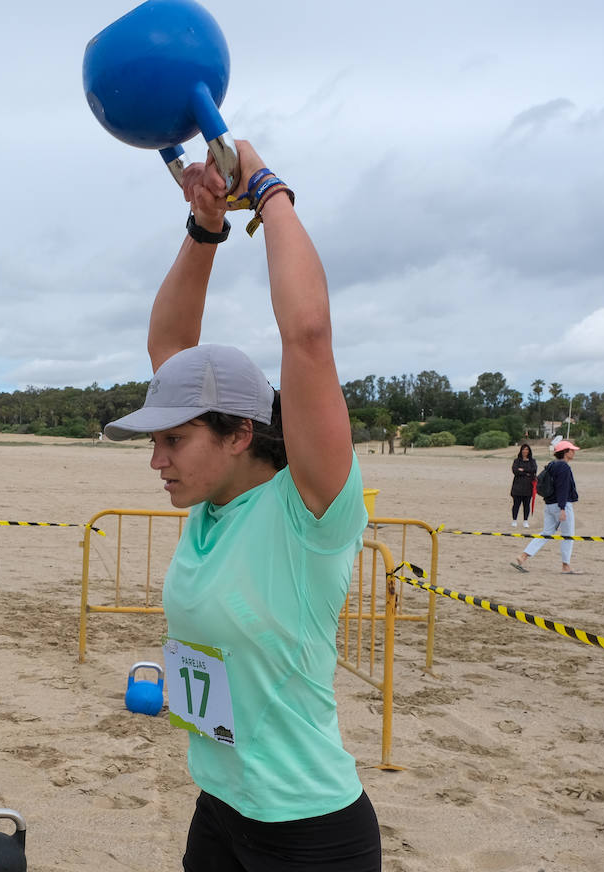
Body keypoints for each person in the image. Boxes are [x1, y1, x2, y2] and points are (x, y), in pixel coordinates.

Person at [102, 142, 380, 870]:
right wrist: (204, 229)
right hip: (220, 808)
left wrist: (269, 193)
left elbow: (308, 337)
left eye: (173, 441)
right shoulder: (209, 500)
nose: (156, 460)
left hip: (310, 832)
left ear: (239, 435)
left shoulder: (309, 513)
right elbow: (171, 347)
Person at [511, 438, 581, 574]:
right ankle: (566, 566)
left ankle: (523, 556)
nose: (574, 452)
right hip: (560, 505)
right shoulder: (564, 467)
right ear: (565, 452)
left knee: (546, 533)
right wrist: (562, 508)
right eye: (571, 450)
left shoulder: (552, 464)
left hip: (549, 504)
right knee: (568, 535)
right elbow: (563, 488)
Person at [510, 442, 537, 527]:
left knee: (526, 505)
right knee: (516, 504)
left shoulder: (532, 461)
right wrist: (526, 473)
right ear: (521, 451)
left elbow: (533, 470)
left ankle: (525, 521)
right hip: (517, 486)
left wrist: (523, 470)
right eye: (524, 449)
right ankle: (514, 520)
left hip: (528, 487)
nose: (525, 451)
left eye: (527, 449)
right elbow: (515, 471)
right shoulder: (517, 461)